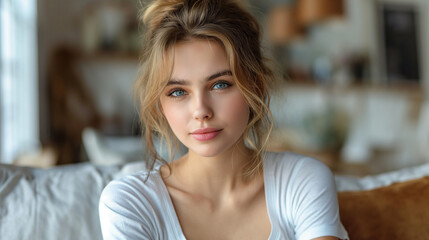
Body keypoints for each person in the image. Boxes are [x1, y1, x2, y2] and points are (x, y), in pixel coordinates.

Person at [99, 0, 349, 239]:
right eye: (178, 92)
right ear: (159, 103)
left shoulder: (301, 180)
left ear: (256, 87)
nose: (201, 111)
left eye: (220, 84)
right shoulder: (129, 203)